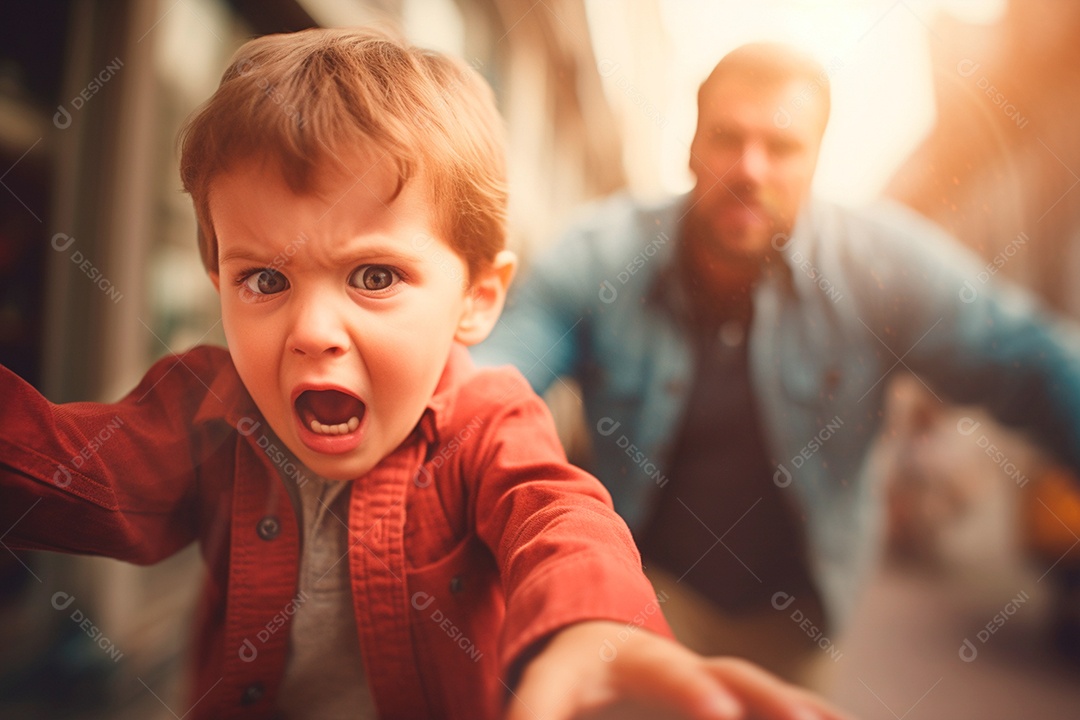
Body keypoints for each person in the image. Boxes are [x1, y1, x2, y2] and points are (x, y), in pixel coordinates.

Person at [0, 29, 851, 720]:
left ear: (477, 299)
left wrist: (597, 628)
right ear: (219, 280)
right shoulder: (206, 408)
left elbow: (558, 518)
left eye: (374, 278)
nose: (313, 332)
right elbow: (61, 470)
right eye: (265, 280)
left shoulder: (487, 423)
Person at [473, 42, 1080, 686]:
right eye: (727, 138)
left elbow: (1031, 364)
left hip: (796, 626)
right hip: (642, 596)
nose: (750, 169)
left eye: (782, 147)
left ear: (817, 161)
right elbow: (490, 384)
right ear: (691, 147)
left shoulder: (878, 263)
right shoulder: (602, 254)